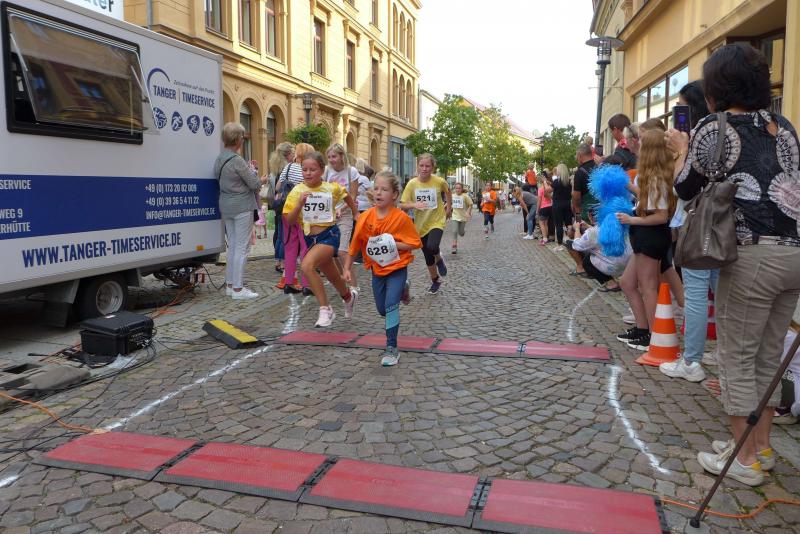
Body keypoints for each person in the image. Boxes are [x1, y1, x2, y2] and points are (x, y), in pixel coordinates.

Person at [667, 43, 800, 486]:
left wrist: (682, 149)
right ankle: (759, 447)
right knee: (767, 354)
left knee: (737, 357)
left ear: (717, 89)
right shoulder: (783, 125)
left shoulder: (715, 126)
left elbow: (685, 188)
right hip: (793, 253)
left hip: (751, 256)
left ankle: (743, 461)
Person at [660, 81, 715, 383]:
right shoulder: (722, 133)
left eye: (680, 107)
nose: (676, 113)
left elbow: (681, 188)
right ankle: (718, 354)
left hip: (696, 223)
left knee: (695, 296)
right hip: (723, 225)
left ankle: (692, 360)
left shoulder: (696, 138)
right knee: (722, 295)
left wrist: (680, 151)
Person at [345, 170, 422, 366]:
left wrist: (394, 244)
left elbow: (415, 243)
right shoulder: (365, 217)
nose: (378, 193)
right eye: (376, 188)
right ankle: (404, 290)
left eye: (384, 189)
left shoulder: (401, 218)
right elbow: (354, 245)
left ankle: (391, 347)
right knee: (382, 310)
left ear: (394, 195)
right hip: (377, 270)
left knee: (390, 306)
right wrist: (346, 268)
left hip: (397, 268)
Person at [615, 129, 676, 351]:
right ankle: (643, 329)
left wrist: (632, 220)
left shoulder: (657, 176)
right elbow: (647, 199)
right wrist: (628, 186)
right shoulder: (652, 175)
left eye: (641, 141)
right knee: (627, 282)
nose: (637, 144)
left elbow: (661, 216)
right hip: (644, 234)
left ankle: (653, 335)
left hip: (651, 235)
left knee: (648, 286)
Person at [283, 151, 359, 327]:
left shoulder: (330, 188)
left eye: (313, 169)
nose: (308, 173)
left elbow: (346, 195)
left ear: (322, 170)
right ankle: (348, 297)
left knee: (306, 266)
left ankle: (326, 309)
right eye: (305, 170)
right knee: (333, 276)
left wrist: (355, 213)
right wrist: (299, 204)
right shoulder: (297, 191)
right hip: (311, 239)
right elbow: (290, 220)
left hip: (329, 235)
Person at [214, 122, 268, 300]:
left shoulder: (220, 158)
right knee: (242, 247)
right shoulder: (237, 160)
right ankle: (238, 289)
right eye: (243, 137)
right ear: (237, 139)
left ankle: (230, 285)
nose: (243, 140)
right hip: (242, 207)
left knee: (233, 246)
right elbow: (254, 184)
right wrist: (260, 178)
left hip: (226, 206)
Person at [400, 154, 452, 294]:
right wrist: (414, 205)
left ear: (432, 168)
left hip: (437, 220)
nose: (424, 168)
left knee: (432, 246)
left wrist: (448, 208)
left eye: (427, 166)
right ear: (417, 166)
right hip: (421, 225)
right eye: (421, 165)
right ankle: (435, 280)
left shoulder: (439, 181)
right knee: (428, 256)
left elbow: (448, 191)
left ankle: (439, 259)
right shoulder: (412, 184)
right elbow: (403, 205)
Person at [277, 142, 314, 294]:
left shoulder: (289, 167)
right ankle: (306, 284)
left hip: (287, 210)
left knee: (290, 247)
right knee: (305, 248)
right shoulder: (310, 168)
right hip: (303, 212)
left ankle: (289, 282)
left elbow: (278, 187)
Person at [324, 144, 361, 290]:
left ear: (341, 156)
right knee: (332, 253)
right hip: (329, 215)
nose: (331, 160)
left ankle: (354, 286)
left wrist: (342, 208)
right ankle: (342, 280)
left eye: (334, 156)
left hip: (345, 214)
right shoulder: (327, 171)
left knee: (342, 251)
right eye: (329, 157)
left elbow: (353, 196)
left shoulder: (351, 171)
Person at [567, 220, 631, 285]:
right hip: (629, 265)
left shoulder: (594, 231)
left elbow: (577, 245)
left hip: (615, 266)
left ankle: (611, 284)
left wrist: (577, 229)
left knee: (587, 261)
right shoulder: (619, 226)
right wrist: (588, 226)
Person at [572, 144, 597, 224]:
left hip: (587, 216)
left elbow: (576, 199)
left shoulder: (579, 173)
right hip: (602, 213)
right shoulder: (600, 167)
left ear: (580, 155)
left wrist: (578, 218)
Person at [550, 163, 573, 251]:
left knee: (559, 225)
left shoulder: (557, 181)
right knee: (569, 224)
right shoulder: (569, 182)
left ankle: (560, 245)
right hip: (568, 204)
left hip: (557, 205)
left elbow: (548, 190)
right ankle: (570, 242)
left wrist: (544, 182)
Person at [450, 182, 473, 253]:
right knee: (454, 231)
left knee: (461, 233)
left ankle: (462, 232)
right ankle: (454, 246)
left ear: (462, 189)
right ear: (454, 189)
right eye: (456, 188)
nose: (458, 189)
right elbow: (448, 203)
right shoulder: (452, 196)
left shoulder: (465, 196)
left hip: (463, 217)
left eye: (459, 188)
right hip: (454, 215)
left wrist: (468, 212)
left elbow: (470, 204)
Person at [537, 172, 553, 245]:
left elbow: (539, 201)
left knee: (541, 223)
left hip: (543, 207)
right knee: (546, 223)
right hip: (550, 206)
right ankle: (546, 237)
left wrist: (537, 210)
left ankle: (545, 239)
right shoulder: (549, 187)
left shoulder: (540, 189)